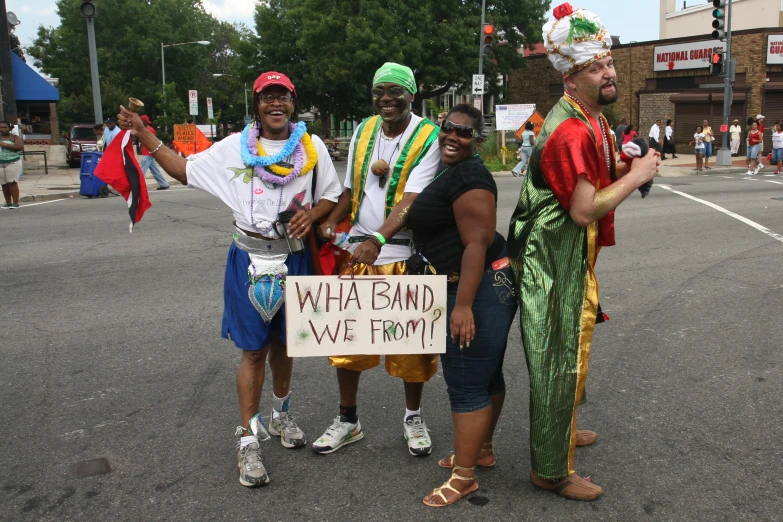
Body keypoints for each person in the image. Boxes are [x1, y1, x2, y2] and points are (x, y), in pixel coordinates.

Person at [115, 71, 342, 488]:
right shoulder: (235, 147)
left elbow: (331, 192)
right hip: (249, 259)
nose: (276, 104)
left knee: (286, 343)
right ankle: (248, 438)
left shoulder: (312, 147)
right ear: (256, 104)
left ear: (293, 103)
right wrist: (144, 133)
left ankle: (281, 415)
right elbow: (183, 170)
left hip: (294, 260)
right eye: (267, 97)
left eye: (284, 97)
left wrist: (315, 213)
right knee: (253, 352)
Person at [507, 4, 659, 501]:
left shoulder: (591, 117)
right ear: (571, 78)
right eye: (596, 67)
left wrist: (623, 161)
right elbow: (583, 209)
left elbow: (596, 173)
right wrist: (636, 177)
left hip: (571, 255)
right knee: (556, 356)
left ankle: (563, 428)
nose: (610, 73)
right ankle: (550, 470)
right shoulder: (570, 127)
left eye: (610, 62)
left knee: (577, 344)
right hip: (549, 260)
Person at [314, 62, 440, 457]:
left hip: (405, 252)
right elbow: (353, 188)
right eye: (379, 91)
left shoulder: (428, 137)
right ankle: (348, 421)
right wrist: (331, 223)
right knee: (348, 343)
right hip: (358, 250)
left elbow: (412, 199)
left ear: (411, 94)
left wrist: (379, 238)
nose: (386, 98)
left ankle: (413, 416)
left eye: (395, 91)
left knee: (412, 348)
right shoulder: (363, 130)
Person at [407, 104, 517, 507]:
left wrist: (463, 306)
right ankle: (481, 449)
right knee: (486, 374)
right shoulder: (449, 169)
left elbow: (476, 243)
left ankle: (465, 476)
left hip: (476, 286)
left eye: (464, 133)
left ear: (477, 141)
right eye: (448, 128)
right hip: (489, 283)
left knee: (467, 380)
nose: (453, 137)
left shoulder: (470, 175)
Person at [139, 115, 170, 190]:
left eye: (141, 121)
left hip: (148, 152)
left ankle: (137, 186)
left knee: (141, 170)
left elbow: (151, 141)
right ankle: (164, 184)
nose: (140, 122)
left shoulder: (150, 130)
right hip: (149, 152)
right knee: (154, 170)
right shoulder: (147, 129)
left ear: (145, 121)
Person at [0, 120, 24, 209]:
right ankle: (8, 202)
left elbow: (20, 147)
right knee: (4, 183)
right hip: (0, 163)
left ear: (9, 128)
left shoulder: (14, 137)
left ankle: (15, 203)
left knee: (12, 182)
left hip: (12, 162)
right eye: (0, 127)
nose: (2, 129)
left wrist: (3, 144)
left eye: (4, 127)